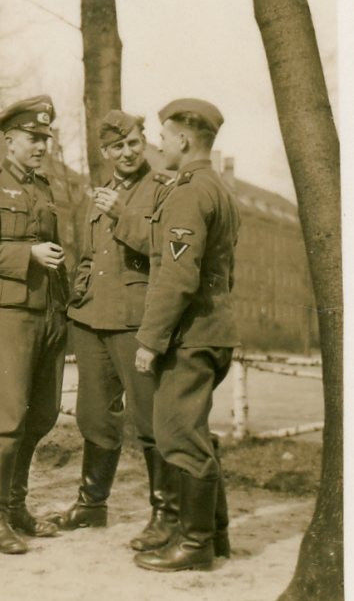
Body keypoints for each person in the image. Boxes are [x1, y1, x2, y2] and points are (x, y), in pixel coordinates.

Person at [48, 110, 179, 553]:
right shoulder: (100, 192)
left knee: (149, 418)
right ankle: (91, 503)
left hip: (133, 320)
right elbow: (89, 255)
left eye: (134, 143)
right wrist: (77, 298)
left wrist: (123, 214)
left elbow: (167, 250)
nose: (127, 153)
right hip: (92, 320)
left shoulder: (163, 189)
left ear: (145, 144)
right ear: (105, 152)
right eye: (117, 147)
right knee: (94, 416)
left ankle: (166, 514)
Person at [133, 98, 239, 572]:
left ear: (182, 138)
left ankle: (195, 546)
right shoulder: (220, 189)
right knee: (193, 431)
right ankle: (215, 535)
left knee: (178, 435)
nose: (159, 147)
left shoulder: (188, 193)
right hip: (214, 330)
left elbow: (177, 277)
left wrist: (150, 340)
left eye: (162, 138)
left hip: (191, 336)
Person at [0, 95, 69, 555]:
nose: (41, 145)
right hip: (12, 313)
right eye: (32, 137)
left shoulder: (44, 189)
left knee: (41, 414)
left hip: (50, 312)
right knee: (7, 416)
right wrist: (28, 254)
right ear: (9, 141)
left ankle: (16, 507)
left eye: (45, 138)